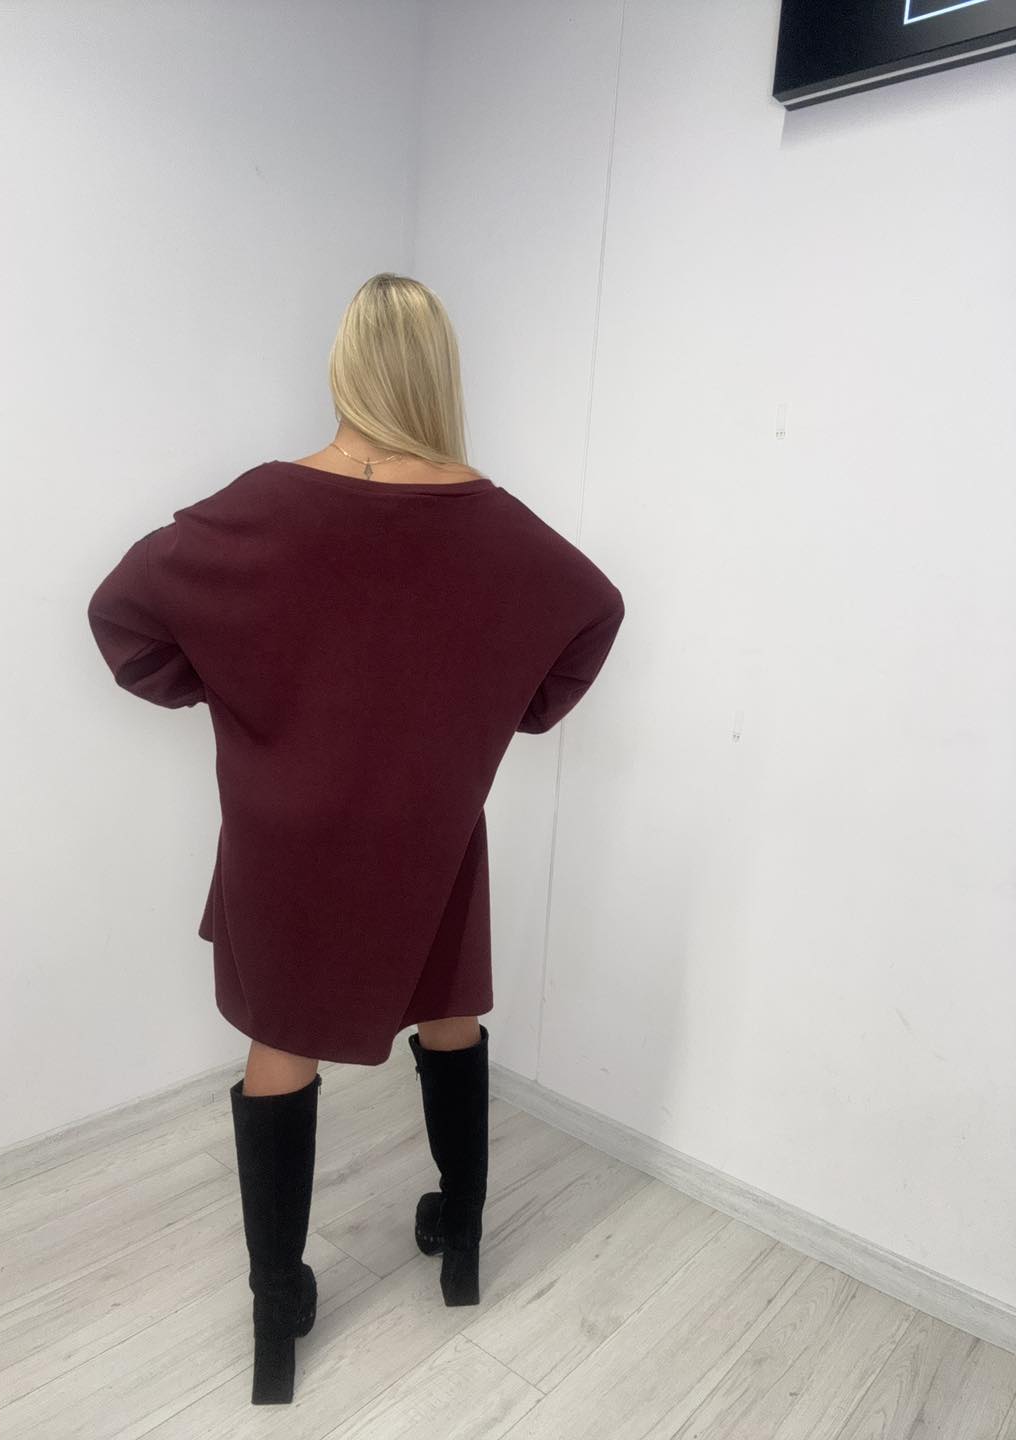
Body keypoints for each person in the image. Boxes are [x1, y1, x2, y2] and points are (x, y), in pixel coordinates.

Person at [86, 272, 626, 1405]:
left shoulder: (259, 505)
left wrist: (237, 696)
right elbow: (593, 609)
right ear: (439, 377)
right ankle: (462, 1240)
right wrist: (501, 712)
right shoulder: (501, 526)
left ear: (344, 370)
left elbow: (122, 614)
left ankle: (275, 1316)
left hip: (287, 833)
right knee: (449, 1009)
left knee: (282, 1042)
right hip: (430, 826)